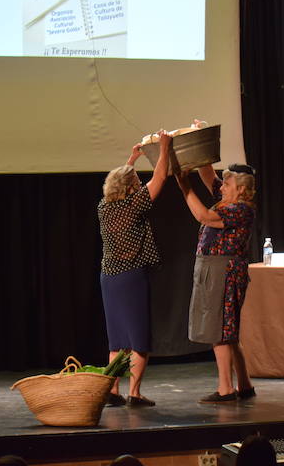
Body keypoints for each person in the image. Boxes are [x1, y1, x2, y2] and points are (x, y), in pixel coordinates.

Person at [98, 131, 171, 407]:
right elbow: (160, 178)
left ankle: (113, 391)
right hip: (130, 278)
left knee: (117, 339)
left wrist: (132, 158)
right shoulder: (134, 205)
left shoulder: (103, 208)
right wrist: (164, 148)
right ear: (130, 189)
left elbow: (121, 180)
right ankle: (135, 394)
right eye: (136, 182)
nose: (140, 186)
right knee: (138, 337)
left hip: (109, 278)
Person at [176, 160, 257, 403]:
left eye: (227, 183)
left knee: (219, 330)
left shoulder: (240, 209)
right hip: (218, 270)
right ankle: (244, 385)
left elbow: (203, 216)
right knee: (228, 330)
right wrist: (203, 155)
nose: (221, 186)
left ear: (240, 189)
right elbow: (209, 176)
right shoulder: (228, 200)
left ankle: (226, 389)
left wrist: (184, 187)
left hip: (224, 272)